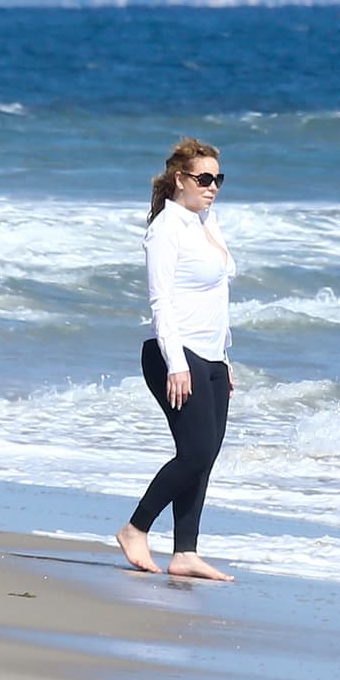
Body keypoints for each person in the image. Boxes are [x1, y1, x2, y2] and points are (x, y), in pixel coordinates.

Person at [117, 138, 237, 581]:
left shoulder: (207, 221)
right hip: (174, 354)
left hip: (211, 357)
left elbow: (216, 297)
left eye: (217, 179)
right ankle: (135, 527)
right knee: (196, 451)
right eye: (204, 179)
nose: (212, 188)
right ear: (179, 180)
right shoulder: (166, 229)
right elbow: (161, 302)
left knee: (205, 456)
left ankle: (185, 551)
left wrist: (225, 359)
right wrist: (177, 363)